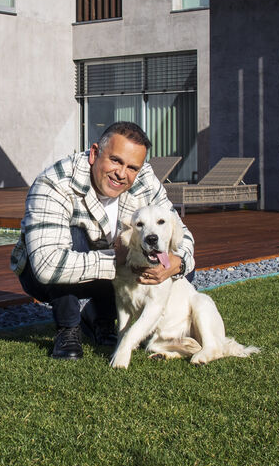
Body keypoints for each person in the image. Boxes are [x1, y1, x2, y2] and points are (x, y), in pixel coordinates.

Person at [11, 121, 194, 359]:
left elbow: (181, 232)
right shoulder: (54, 182)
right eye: (116, 160)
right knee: (76, 234)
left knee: (180, 273)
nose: (122, 173)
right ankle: (68, 328)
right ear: (95, 153)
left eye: (132, 167)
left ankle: (100, 317)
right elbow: (47, 265)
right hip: (43, 275)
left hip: (113, 267)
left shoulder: (144, 179)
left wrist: (177, 262)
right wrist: (119, 258)